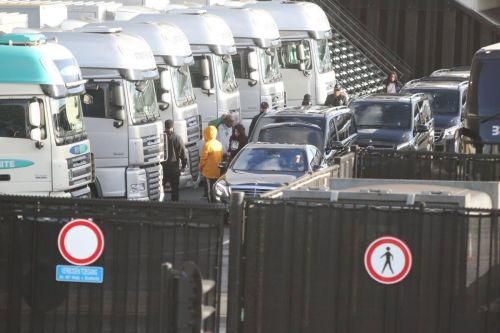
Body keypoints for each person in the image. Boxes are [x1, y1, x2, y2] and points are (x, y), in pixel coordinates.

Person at [162, 120, 187, 202]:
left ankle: (159, 205)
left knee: (160, 188)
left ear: (165, 127)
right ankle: (175, 205)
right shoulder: (177, 138)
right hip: (174, 168)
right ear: (173, 127)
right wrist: (183, 165)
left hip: (163, 167)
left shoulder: (161, 137)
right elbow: (183, 153)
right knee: (175, 189)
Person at [200, 126, 223, 203]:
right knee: (216, 188)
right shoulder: (219, 144)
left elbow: (203, 159)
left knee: (209, 189)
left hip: (208, 171)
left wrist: (200, 167)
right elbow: (221, 157)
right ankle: (217, 202)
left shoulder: (207, 145)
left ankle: (211, 205)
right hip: (217, 170)